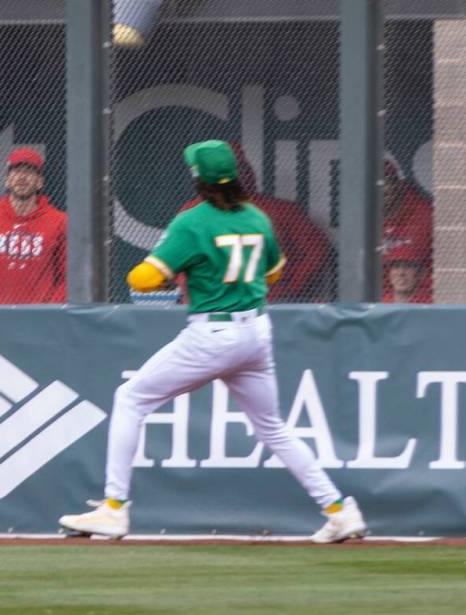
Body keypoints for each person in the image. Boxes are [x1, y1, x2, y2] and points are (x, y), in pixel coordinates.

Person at [59, 140, 365, 543]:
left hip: (213, 332)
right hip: (255, 331)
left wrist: (174, 268)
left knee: (131, 398)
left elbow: (143, 279)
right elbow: (274, 272)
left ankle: (114, 509)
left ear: (197, 178)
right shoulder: (256, 217)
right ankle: (339, 510)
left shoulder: (193, 220)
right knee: (273, 428)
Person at [177, 143, 333, 302]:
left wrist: (290, 287)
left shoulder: (280, 210)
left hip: (258, 303)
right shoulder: (191, 210)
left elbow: (317, 250)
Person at [0, 148, 67, 305]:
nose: (22, 176)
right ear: (7, 179)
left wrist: (48, 310)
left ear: (40, 182)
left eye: (29, 171)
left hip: (39, 317)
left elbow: (68, 276)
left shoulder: (59, 221)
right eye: (16, 171)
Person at [382, 159, 433, 302]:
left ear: (398, 184)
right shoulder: (364, 219)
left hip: (424, 296)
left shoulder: (424, 215)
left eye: (385, 182)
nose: (379, 191)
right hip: (385, 297)